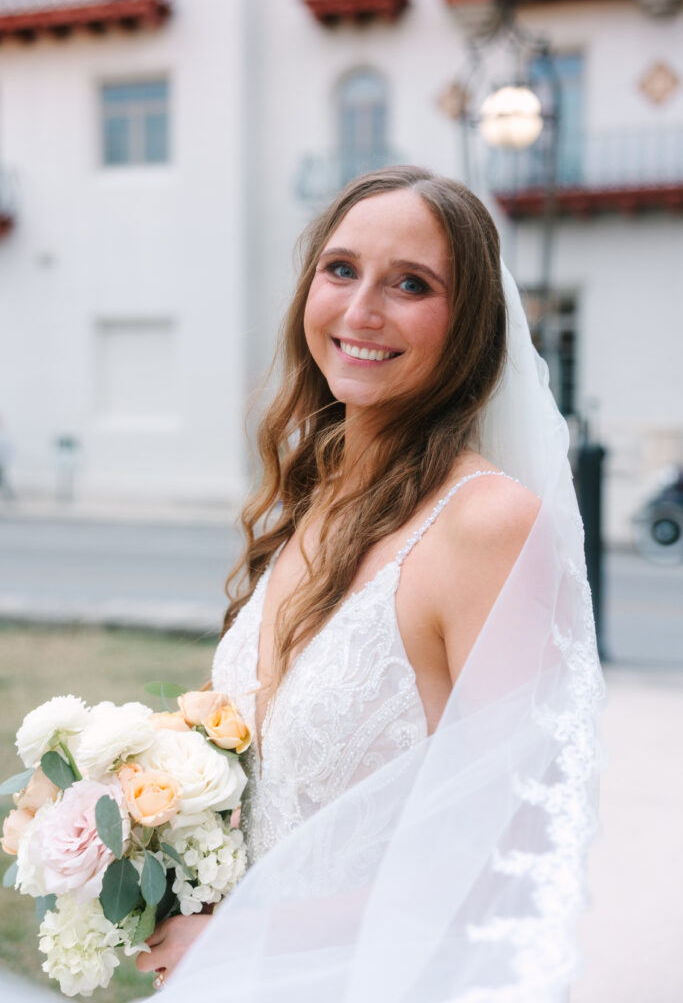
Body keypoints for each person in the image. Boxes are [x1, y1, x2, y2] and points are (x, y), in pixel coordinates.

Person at [137, 167, 604, 1001]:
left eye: (410, 284)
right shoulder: (316, 499)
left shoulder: (486, 525)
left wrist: (243, 932)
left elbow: (509, 860)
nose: (359, 311)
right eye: (341, 269)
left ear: (467, 324)